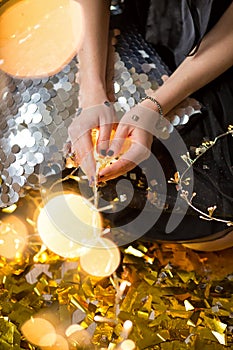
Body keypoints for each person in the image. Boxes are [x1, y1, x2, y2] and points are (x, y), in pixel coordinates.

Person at [68, 0, 233, 250]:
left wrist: (154, 106)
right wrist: (92, 92)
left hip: (218, 48)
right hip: (142, 20)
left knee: (207, 218)